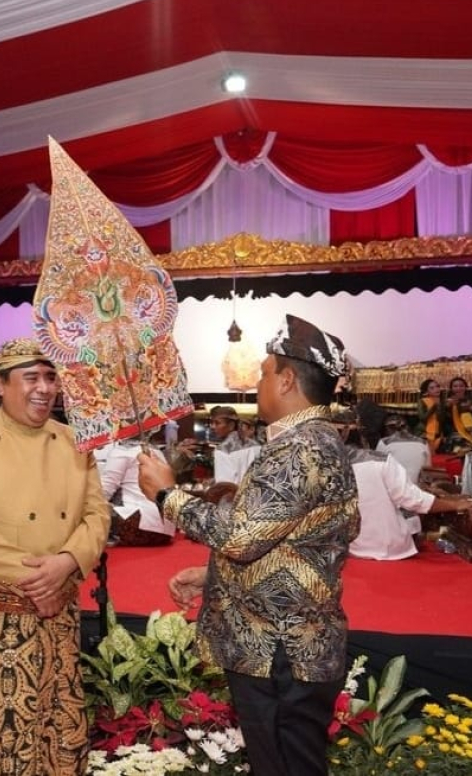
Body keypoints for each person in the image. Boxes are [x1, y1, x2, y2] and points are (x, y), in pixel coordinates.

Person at [137, 314, 358, 776]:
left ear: (287, 379)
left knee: (282, 765)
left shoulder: (300, 447)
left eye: (262, 374)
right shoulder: (311, 440)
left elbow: (240, 535)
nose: (256, 386)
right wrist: (212, 575)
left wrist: (166, 493)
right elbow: (287, 540)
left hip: (280, 648)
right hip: (286, 644)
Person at [0, 337, 111, 776]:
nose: (44, 388)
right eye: (31, 377)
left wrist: (67, 562)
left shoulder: (77, 442)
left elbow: (96, 514)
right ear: (1, 384)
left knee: (59, 726)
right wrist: (39, 582)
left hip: (59, 612)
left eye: (51, 377)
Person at [333, 410, 472, 560]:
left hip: (346, 549)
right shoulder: (381, 461)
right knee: (409, 514)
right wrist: (455, 505)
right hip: (387, 546)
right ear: (361, 433)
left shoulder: (321, 464)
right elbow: (413, 499)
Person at [94, 438, 175, 546]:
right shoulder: (156, 451)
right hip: (166, 533)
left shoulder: (122, 451)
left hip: (138, 527)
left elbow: (104, 492)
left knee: (90, 506)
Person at [375, 414, 431, 487]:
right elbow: (428, 469)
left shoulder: (384, 443)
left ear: (387, 429)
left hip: (394, 490)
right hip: (418, 490)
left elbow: (377, 471)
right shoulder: (423, 443)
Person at [445, 376, 472, 449]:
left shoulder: (471, 400)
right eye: (455, 386)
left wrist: (471, 408)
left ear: (465, 387)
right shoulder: (448, 402)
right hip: (456, 431)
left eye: (461, 386)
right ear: (451, 388)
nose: (458, 388)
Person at [417, 378, 444, 452]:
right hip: (424, 434)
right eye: (432, 388)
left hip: (437, 434)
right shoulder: (422, 401)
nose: (436, 389)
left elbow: (441, 419)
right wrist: (434, 407)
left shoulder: (441, 402)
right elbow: (422, 418)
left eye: (437, 386)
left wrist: (439, 406)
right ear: (426, 392)